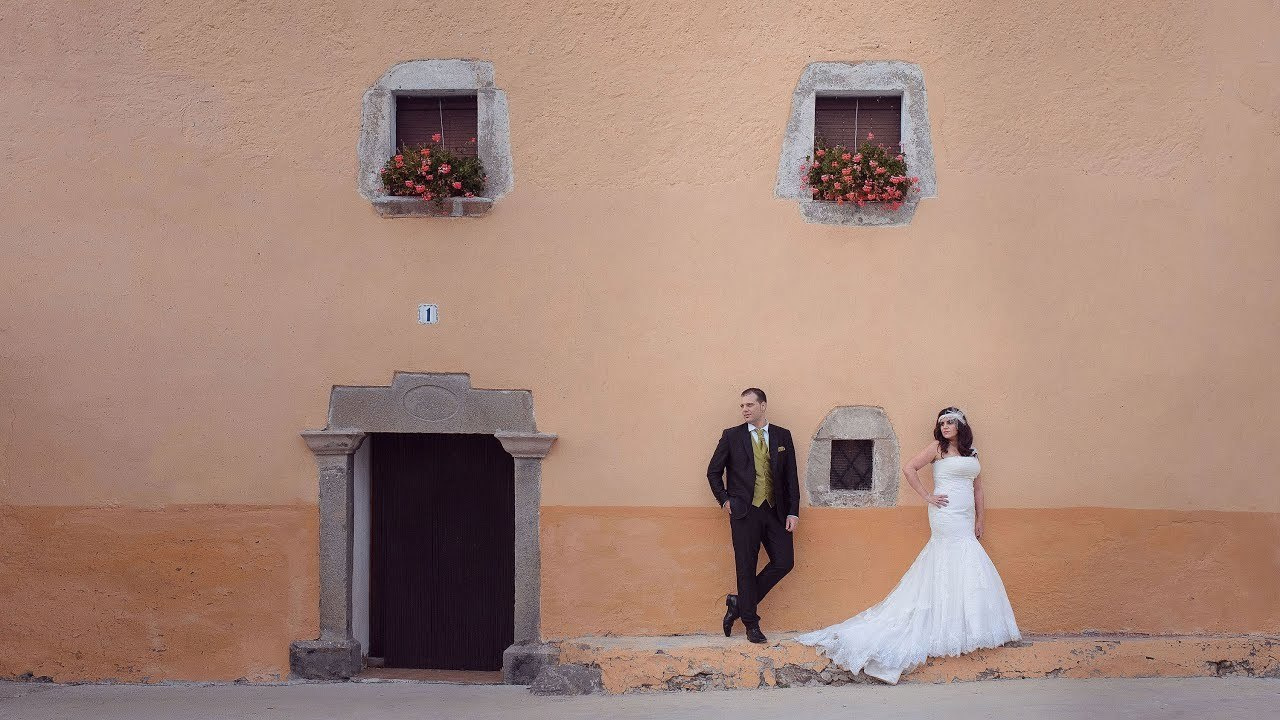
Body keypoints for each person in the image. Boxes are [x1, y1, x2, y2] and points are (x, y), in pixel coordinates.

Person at [794, 407, 1020, 683]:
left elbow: (978, 489)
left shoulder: (972, 454)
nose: (946, 426)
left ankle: (964, 627)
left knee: (968, 559)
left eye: (951, 422)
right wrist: (927, 496)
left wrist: (980, 520)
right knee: (951, 557)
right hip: (945, 514)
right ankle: (944, 625)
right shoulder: (937, 448)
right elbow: (909, 467)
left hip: (966, 516)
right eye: (942, 423)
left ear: (961, 426)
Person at [706, 388, 800, 644]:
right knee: (745, 567)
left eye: (750, 405)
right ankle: (751, 623)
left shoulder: (782, 436)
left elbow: (791, 476)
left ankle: (738, 604)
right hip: (744, 512)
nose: (745, 409)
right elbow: (713, 472)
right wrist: (724, 500)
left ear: (763, 406)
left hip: (776, 512)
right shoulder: (732, 436)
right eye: (742, 406)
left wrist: (793, 511)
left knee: (784, 561)